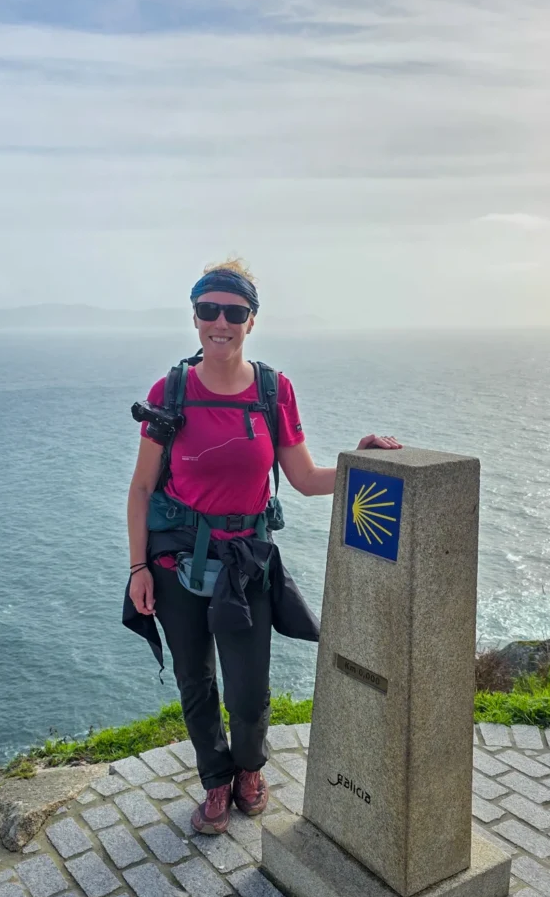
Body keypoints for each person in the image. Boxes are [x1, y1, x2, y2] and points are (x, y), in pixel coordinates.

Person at [125, 259, 401, 835]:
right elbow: (143, 487)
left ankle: (250, 769)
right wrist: (137, 568)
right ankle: (215, 780)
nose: (220, 322)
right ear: (195, 316)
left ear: (252, 320)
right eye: (209, 310)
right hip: (175, 563)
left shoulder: (273, 391)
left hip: (246, 563)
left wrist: (361, 461)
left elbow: (304, 477)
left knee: (249, 689)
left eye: (234, 312)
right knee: (195, 681)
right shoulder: (170, 392)